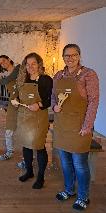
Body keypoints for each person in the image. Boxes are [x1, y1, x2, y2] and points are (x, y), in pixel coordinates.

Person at [52, 44, 99, 211]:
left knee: (79, 164)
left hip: (80, 127)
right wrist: (54, 106)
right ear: (63, 57)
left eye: (73, 55)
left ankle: (83, 196)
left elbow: (93, 102)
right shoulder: (58, 75)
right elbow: (53, 98)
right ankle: (69, 190)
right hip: (62, 126)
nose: (70, 58)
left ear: (79, 56)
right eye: (67, 55)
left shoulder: (89, 74)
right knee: (65, 162)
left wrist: (87, 126)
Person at [12, 52, 52, 189]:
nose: (31, 67)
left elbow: (49, 100)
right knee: (26, 145)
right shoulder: (23, 79)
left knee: (39, 146)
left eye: (33, 63)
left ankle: (41, 177)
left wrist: (39, 105)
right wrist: (16, 100)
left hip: (38, 118)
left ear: (39, 64)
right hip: (24, 117)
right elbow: (18, 95)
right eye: (28, 64)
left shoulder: (46, 80)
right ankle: (29, 171)